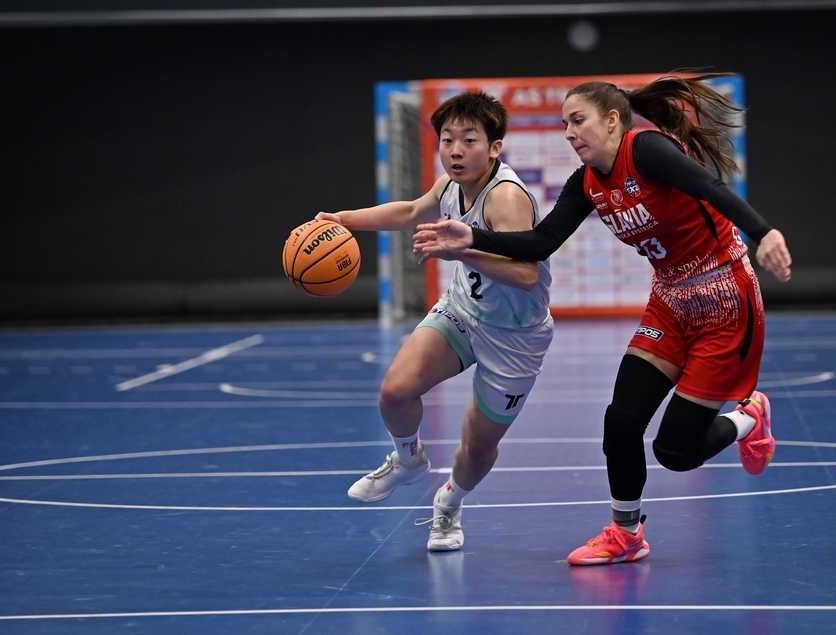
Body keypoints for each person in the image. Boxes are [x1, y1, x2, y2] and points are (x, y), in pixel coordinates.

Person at [413, 74, 792, 565]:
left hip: (725, 302)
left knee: (676, 452)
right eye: (564, 125)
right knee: (620, 422)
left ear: (612, 121)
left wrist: (764, 233)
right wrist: (471, 238)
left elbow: (711, 187)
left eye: (578, 121)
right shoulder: (586, 182)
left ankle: (749, 416)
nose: (570, 133)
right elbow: (541, 242)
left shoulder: (647, 150)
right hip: (670, 302)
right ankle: (626, 534)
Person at [313, 91, 553, 552]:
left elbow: (525, 275)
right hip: (463, 311)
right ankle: (408, 460)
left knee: (477, 448)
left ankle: (450, 502)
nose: (456, 150)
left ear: (495, 147)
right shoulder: (449, 187)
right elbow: (408, 211)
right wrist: (344, 220)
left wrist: (461, 251)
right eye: (447, 140)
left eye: (469, 140)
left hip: (515, 337)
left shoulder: (505, 199)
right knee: (395, 391)